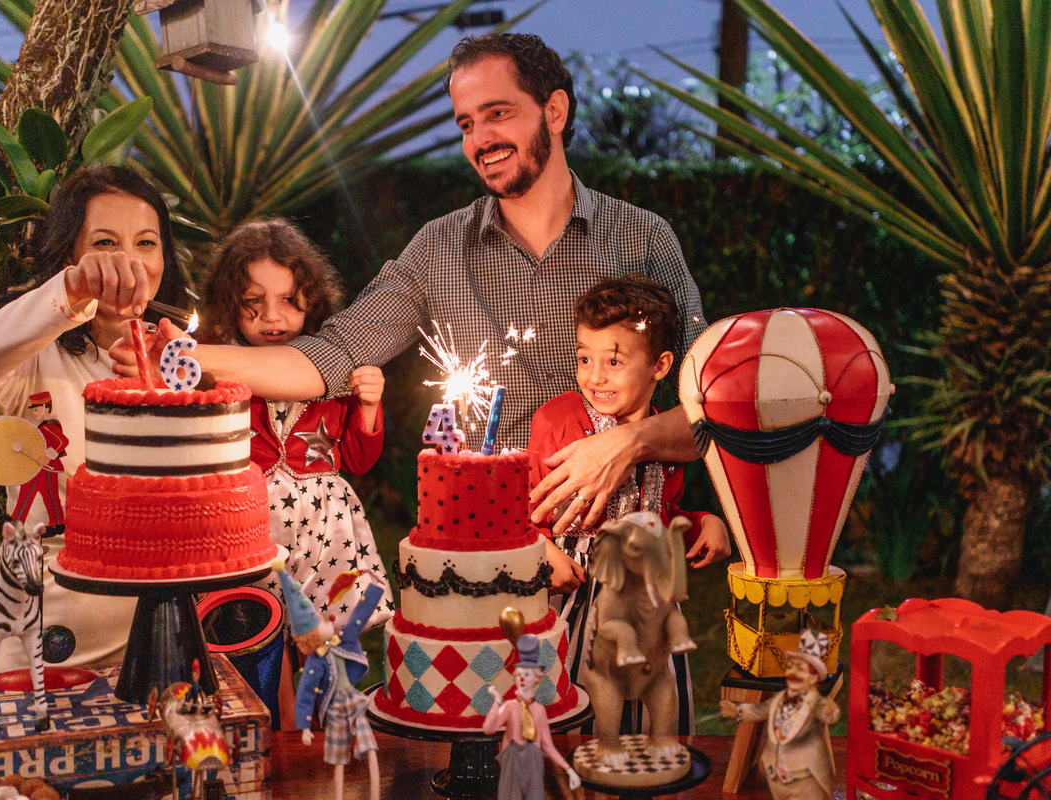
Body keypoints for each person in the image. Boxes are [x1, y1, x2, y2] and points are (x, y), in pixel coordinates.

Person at [111, 33, 707, 551]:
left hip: (622, 554)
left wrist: (627, 442)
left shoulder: (642, 239)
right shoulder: (439, 250)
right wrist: (186, 359)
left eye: (497, 113)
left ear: (554, 110)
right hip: (483, 541)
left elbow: (713, 405)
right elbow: (333, 357)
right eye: (466, 123)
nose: (480, 139)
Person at [0, 165, 187, 671]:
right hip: (44, 653)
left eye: (146, 243)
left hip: (163, 644)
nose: (128, 262)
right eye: (104, 243)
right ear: (69, 256)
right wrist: (73, 293)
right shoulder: (32, 362)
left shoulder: (184, 366)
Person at [200, 219, 394, 726]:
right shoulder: (225, 371)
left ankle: (331, 727)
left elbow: (356, 457)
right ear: (229, 304)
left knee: (329, 640)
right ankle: (276, 730)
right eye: (252, 302)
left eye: (289, 300)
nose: (272, 316)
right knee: (261, 639)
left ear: (313, 299)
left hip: (327, 534)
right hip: (254, 529)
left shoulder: (328, 372)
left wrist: (369, 408)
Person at [528, 274, 731, 735]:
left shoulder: (665, 437)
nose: (594, 376)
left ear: (659, 366)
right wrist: (543, 550)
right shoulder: (558, 421)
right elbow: (525, 507)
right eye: (584, 358)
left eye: (614, 361)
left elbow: (663, 512)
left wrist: (703, 522)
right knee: (581, 705)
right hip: (579, 592)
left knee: (651, 703)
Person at [275, 562, 385, 800]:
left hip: (354, 701)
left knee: (370, 747)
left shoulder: (343, 639)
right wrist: (304, 726)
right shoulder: (315, 663)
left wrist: (375, 588)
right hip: (334, 710)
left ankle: (375, 793)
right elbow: (305, 694)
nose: (327, 622)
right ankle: (337, 795)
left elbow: (359, 616)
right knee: (337, 758)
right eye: (320, 624)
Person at [719, 629, 841, 800]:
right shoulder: (780, 698)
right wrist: (738, 711)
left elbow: (826, 712)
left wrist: (831, 711)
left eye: (800, 669)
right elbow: (761, 710)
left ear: (813, 679)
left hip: (805, 779)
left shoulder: (815, 703)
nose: (792, 673)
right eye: (790, 667)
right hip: (776, 776)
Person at [483, 630, 582, 800]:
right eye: (519, 673)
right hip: (512, 762)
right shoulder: (510, 706)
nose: (522, 678)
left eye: (527, 674)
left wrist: (568, 770)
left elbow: (548, 746)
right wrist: (496, 703)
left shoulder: (538, 710)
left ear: (536, 678)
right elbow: (488, 729)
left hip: (534, 763)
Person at [12, 391, 68, 535]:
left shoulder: (50, 425)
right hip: (38, 467)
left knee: (49, 495)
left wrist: (48, 456)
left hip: (48, 468)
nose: (35, 413)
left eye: (37, 409)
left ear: (46, 408)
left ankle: (57, 524)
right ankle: (16, 520)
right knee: (26, 491)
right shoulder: (44, 425)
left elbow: (63, 441)